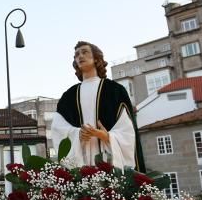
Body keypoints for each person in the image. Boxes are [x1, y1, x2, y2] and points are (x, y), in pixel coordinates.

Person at [51, 41, 146, 171]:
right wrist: (78, 133)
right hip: (81, 165)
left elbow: (128, 132)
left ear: (96, 58)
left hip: (109, 162)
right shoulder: (69, 96)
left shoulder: (115, 90)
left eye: (84, 52)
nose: (80, 56)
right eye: (77, 55)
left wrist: (106, 136)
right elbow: (58, 128)